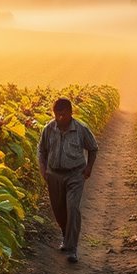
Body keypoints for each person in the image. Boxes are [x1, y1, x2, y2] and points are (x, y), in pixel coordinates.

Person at [37, 97, 98, 263]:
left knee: (72, 208)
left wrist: (89, 168)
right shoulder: (48, 129)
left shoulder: (80, 129)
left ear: (71, 113)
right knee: (59, 210)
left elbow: (93, 148)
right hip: (54, 175)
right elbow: (41, 150)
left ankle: (72, 248)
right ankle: (65, 234)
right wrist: (43, 170)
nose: (60, 118)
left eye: (63, 115)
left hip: (75, 174)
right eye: (57, 115)